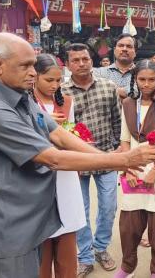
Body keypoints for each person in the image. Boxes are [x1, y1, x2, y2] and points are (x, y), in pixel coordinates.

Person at [0, 32, 155, 278]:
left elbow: (58, 134)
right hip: (4, 233)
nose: (33, 73)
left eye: (33, 65)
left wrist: (116, 161)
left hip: (26, 224)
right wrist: (123, 159)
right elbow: (52, 157)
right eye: (25, 66)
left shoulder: (19, 96)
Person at [115, 59, 155, 278]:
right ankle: (127, 267)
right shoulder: (127, 105)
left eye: (151, 79)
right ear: (134, 79)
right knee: (129, 225)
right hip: (133, 171)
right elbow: (125, 140)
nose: (146, 84)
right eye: (141, 79)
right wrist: (128, 168)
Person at [61, 43, 122, 277]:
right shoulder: (63, 92)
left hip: (106, 156)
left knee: (108, 207)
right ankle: (85, 256)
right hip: (77, 161)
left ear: (91, 60)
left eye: (85, 59)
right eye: (75, 60)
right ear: (68, 65)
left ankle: (101, 248)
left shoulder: (108, 87)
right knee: (80, 209)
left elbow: (117, 120)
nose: (81, 64)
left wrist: (117, 149)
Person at [31, 54, 85, 278]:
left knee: (66, 236)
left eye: (58, 81)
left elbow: (69, 135)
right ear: (34, 77)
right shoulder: (25, 103)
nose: (54, 86)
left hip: (65, 175)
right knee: (41, 242)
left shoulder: (66, 101)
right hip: (38, 175)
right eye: (48, 80)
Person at [94, 33, 136, 100]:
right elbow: (96, 92)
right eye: (121, 46)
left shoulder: (142, 75)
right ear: (114, 50)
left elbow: (140, 93)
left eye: (129, 46)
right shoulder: (99, 72)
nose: (124, 49)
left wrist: (108, 88)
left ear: (135, 52)